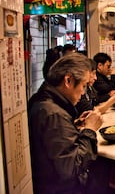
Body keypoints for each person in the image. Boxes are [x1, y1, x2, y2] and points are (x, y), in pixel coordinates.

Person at [28, 53, 103, 193]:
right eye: (84, 85)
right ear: (68, 80)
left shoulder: (41, 99)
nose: (83, 93)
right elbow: (72, 167)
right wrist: (90, 130)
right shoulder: (54, 113)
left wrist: (74, 125)